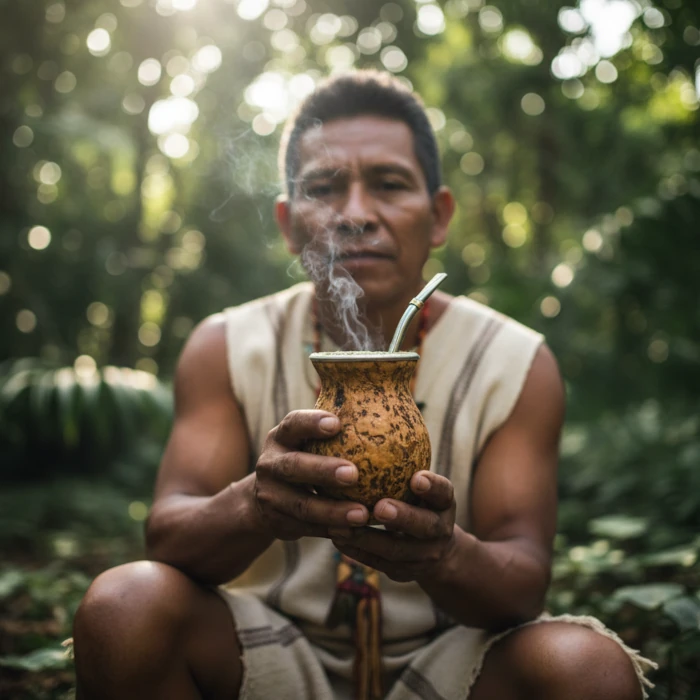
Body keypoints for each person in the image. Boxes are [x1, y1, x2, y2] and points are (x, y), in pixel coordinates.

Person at [72, 71, 656, 700]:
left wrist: (444, 554)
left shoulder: (514, 362)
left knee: (586, 670)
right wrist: (256, 502)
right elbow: (167, 535)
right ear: (290, 224)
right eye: (323, 188)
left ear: (438, 217)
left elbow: (523, 582)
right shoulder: (226, 347)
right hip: (260, 651)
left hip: (453, 659)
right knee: (124, 605)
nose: (355, 215)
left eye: (389, 184)